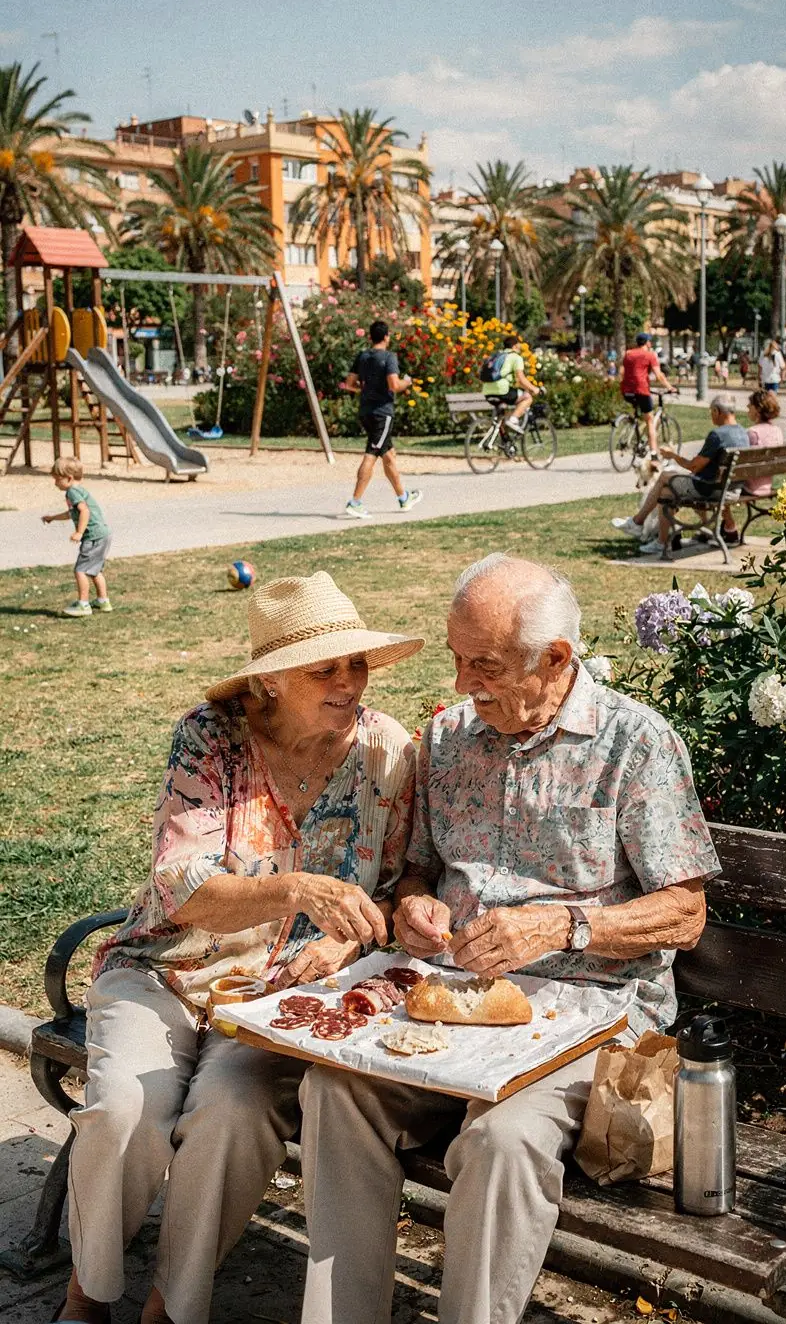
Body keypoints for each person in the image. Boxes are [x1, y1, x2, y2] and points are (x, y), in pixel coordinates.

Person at [297, 554, 718, 1324]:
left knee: (503, 1143)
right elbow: (417, 872)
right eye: (457, 660)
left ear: (555, 658)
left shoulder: (635, 743)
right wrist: (415, 909)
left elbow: (684, 915)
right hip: (452, 999)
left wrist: (566, 923)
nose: (462, 685)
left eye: (483, 665)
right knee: (336, 1089)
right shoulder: (450, 738)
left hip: (593, 1009)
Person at [57, 572, 423, 1324]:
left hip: (284, 998)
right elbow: (181, 889)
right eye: (325, 667)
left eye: (355, 662)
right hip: (166, 970)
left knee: (232, 1109)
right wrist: (298, 890)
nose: (349, 680)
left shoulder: (388, 751)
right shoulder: (211, 739)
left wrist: (347, 943)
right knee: (128, 1106)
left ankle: (171, 1307)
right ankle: (86, 1295)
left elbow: (392, 887)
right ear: (269, 682)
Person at [612, 393, 749, 554]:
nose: (711, 416)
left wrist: (673, 456)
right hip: (733, 489)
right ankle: (658, 538)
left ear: (717, 411)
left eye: (711, 412)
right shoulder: (742, 432)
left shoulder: (717, 435)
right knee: (665, 492)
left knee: (664, 478)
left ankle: (641, 525)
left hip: (710, 489)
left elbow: (693, 467)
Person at [343, 320, 422, 519]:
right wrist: (407, 382)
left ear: (371, 337)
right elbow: (394, 385)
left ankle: (403, 498)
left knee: (388, 454)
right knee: (372, 452)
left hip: (365, 411)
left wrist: (366, 390)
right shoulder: (389, 357)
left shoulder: (363, 356)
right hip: (382, 413)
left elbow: (349, 384)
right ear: (386, 337)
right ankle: (355, 502)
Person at [41, 457, 113, 618]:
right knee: (95, 570)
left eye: (57, 479)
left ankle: (83, 604)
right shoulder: (79, 491)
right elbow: (72, 513)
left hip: (93, 536)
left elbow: (84, 511)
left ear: (69, 478)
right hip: (103, 535)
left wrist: (79, 532)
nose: (55, 483)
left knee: (80, 570)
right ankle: (103, 601)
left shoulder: (72, 492)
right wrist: (52, 517)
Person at [619, 332, 675, 457]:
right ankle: (654, 453)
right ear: (647, 343)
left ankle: (634, 434)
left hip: (626, 390)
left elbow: (623, 372)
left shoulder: (628, 354)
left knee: (640, 415)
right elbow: (659, 375)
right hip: (641, 390)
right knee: (650, 420)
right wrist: (670, 387)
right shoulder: (650, 355)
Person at [481, 331, 541, 432]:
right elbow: (521, 379)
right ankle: (513, 419)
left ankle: (504, 443)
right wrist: (534, 389)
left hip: (487, 392)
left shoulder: (497, 355)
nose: (520, 347)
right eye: (519, 345)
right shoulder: (515, 357)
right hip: (502, 391)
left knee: (502, 417)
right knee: (527, 398)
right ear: (515, 345)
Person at [744, 388, 784, 498]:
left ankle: (725, 515)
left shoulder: (752, 433)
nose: (747, 407)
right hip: (768, 483)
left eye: (750, 405)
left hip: (750, 486)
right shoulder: (777, 430)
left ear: (758, 409)